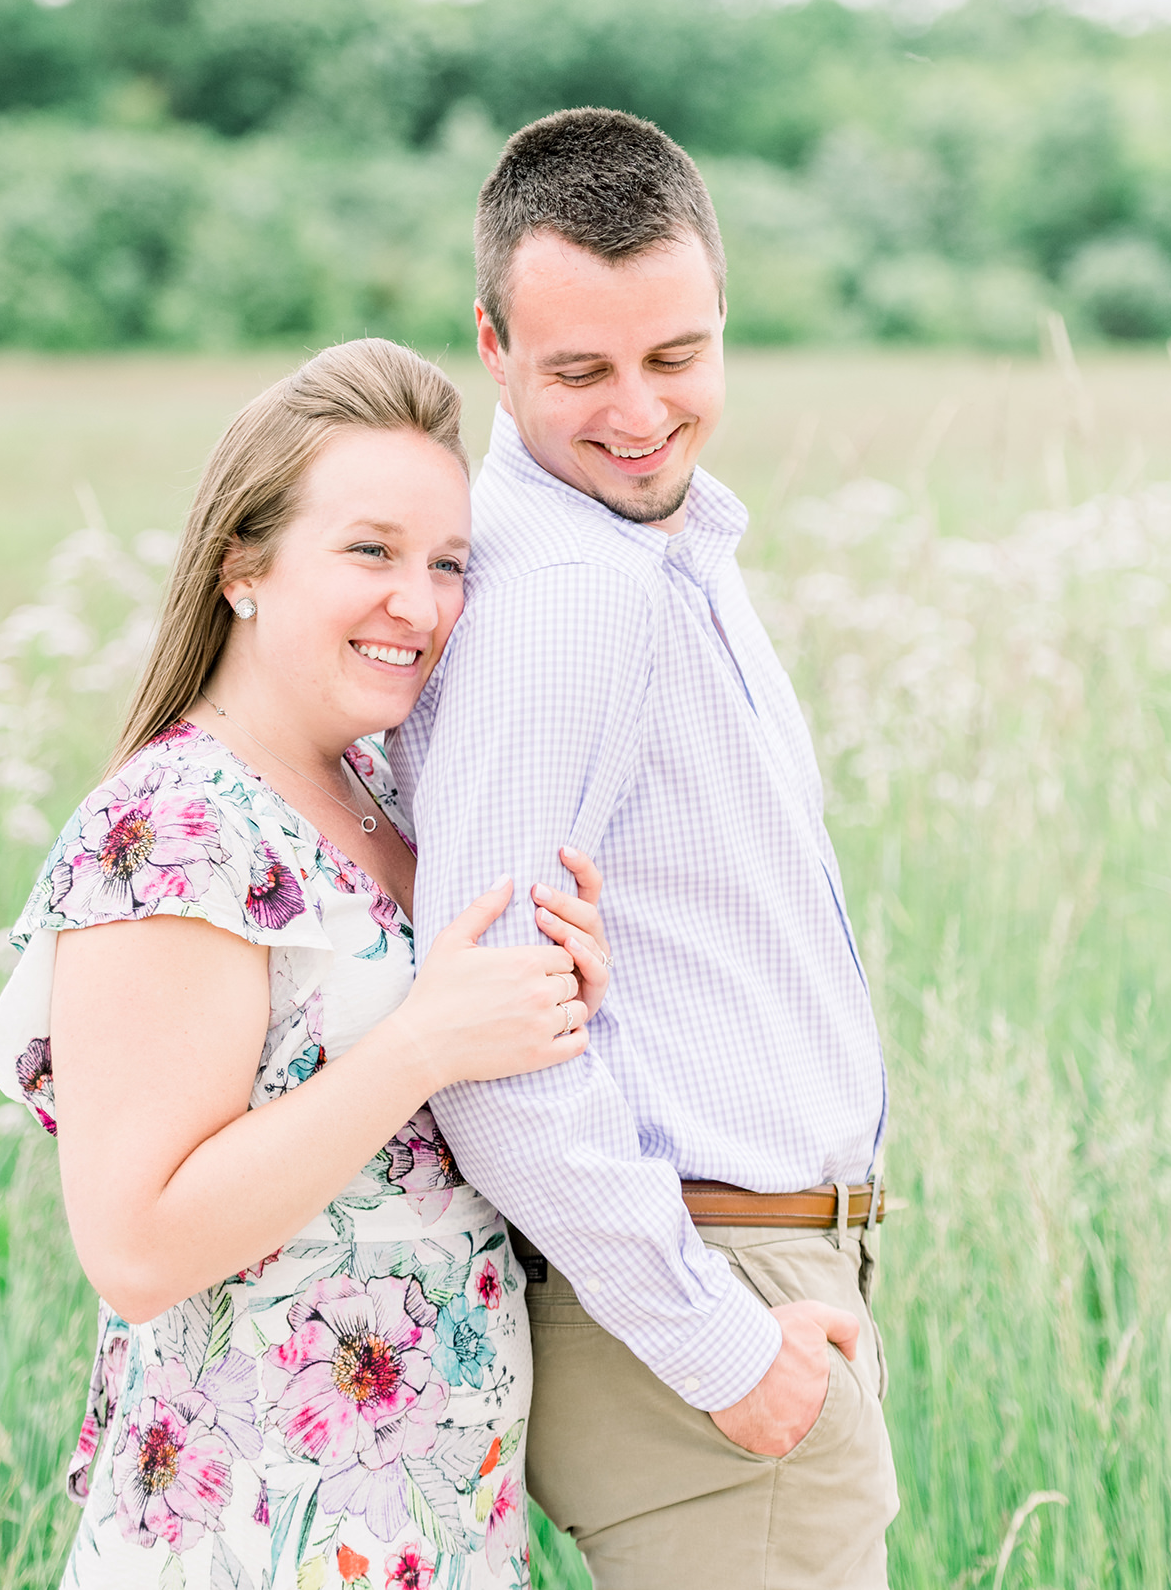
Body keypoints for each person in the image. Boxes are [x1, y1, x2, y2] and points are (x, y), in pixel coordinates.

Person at [0, 338, 613, 1590]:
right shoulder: (180, 830)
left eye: (448, 564)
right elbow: (139, 1244)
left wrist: (553, 1000)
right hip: (250, 1533)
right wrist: (428, 1040)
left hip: (426, 1526)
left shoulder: (384, 794)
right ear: (243, 569)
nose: (419, 605)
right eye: (370, 552)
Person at [389, 109, 899, 1589]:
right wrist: (722, 1349)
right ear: (491, 347)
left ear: (722, 318)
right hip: (701, 1298)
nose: (636, 412)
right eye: (579, 371)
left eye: (675, 358)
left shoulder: (656, 549)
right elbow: (490, 1035)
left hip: (745, 1275)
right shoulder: (566, 600)